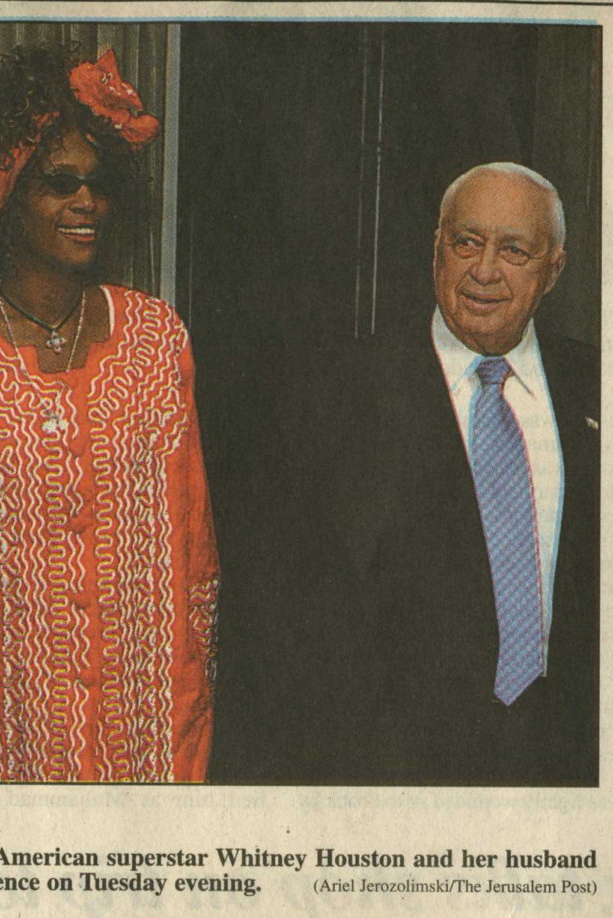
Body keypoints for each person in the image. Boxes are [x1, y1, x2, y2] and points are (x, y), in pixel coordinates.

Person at [213, 163, 597, 786]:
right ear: (436, 246)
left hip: (564, 783)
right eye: (466, 242)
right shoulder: (333, 399)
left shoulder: (595, 392)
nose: (485, 270)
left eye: (515, 250)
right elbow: (273, 631)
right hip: (388, 786)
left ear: (554, 269)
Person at [0, 44, 219, 782]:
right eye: (60, 183)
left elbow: (195, 550)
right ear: (6, 191)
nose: (87, 204)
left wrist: (190, 710)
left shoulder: (154, 337)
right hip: (3, 735)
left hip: (144, 731)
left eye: (100, 186)